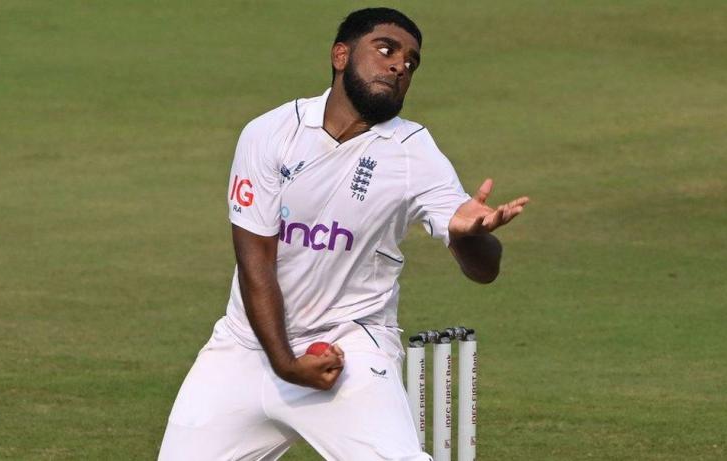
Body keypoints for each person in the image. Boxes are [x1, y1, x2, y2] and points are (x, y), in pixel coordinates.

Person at [158, 7, 529, 461]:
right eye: (386, 50)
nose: (400, 66)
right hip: (246, 346)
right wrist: (286, 364)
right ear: (340, 56)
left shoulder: (414, 152)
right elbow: (255, 263)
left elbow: (484, 271)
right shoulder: (271, 133)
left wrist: (471, 234)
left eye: (411, 62)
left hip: (349, 348)